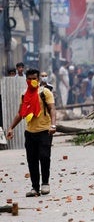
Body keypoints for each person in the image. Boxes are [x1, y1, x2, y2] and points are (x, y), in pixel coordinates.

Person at [6, 68, 56, 197]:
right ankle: (35, 187)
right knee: (32, 160)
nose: (32, 81)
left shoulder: (45, 93)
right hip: (30, 132)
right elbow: (20, 113)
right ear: (26, 80)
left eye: (34, 78)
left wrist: (53, 125)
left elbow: (52, 109)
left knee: (44, 157)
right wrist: (11, 127)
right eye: (29, 79)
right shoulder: (24, 95)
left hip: (45, 130)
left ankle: (45, 183)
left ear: (38, 79)